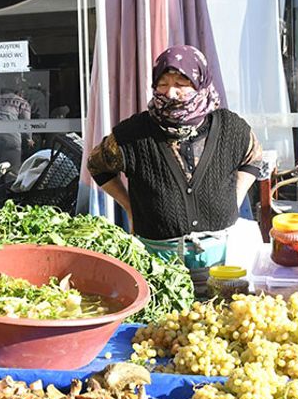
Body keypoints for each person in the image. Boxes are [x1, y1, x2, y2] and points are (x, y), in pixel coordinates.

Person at [87, 45, 264, 294]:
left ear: (200, 83)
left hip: (223, 264)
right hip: (158, 268)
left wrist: (236, 196)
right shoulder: (132, 134)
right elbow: (97, 165)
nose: (171, 92)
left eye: (182, 83)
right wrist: (129, 206)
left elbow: (253, 157)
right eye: (163, 83)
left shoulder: (230, 127)